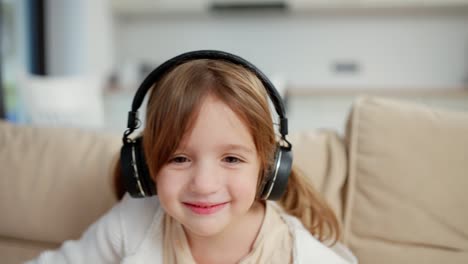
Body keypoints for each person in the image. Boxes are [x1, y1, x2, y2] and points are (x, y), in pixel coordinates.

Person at [27, 51, 357, 264]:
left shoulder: (297, 255)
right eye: (179, 159)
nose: (204, 184)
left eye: (231, 159)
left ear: (268, 169)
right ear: (145, 167)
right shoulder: (135, 221)